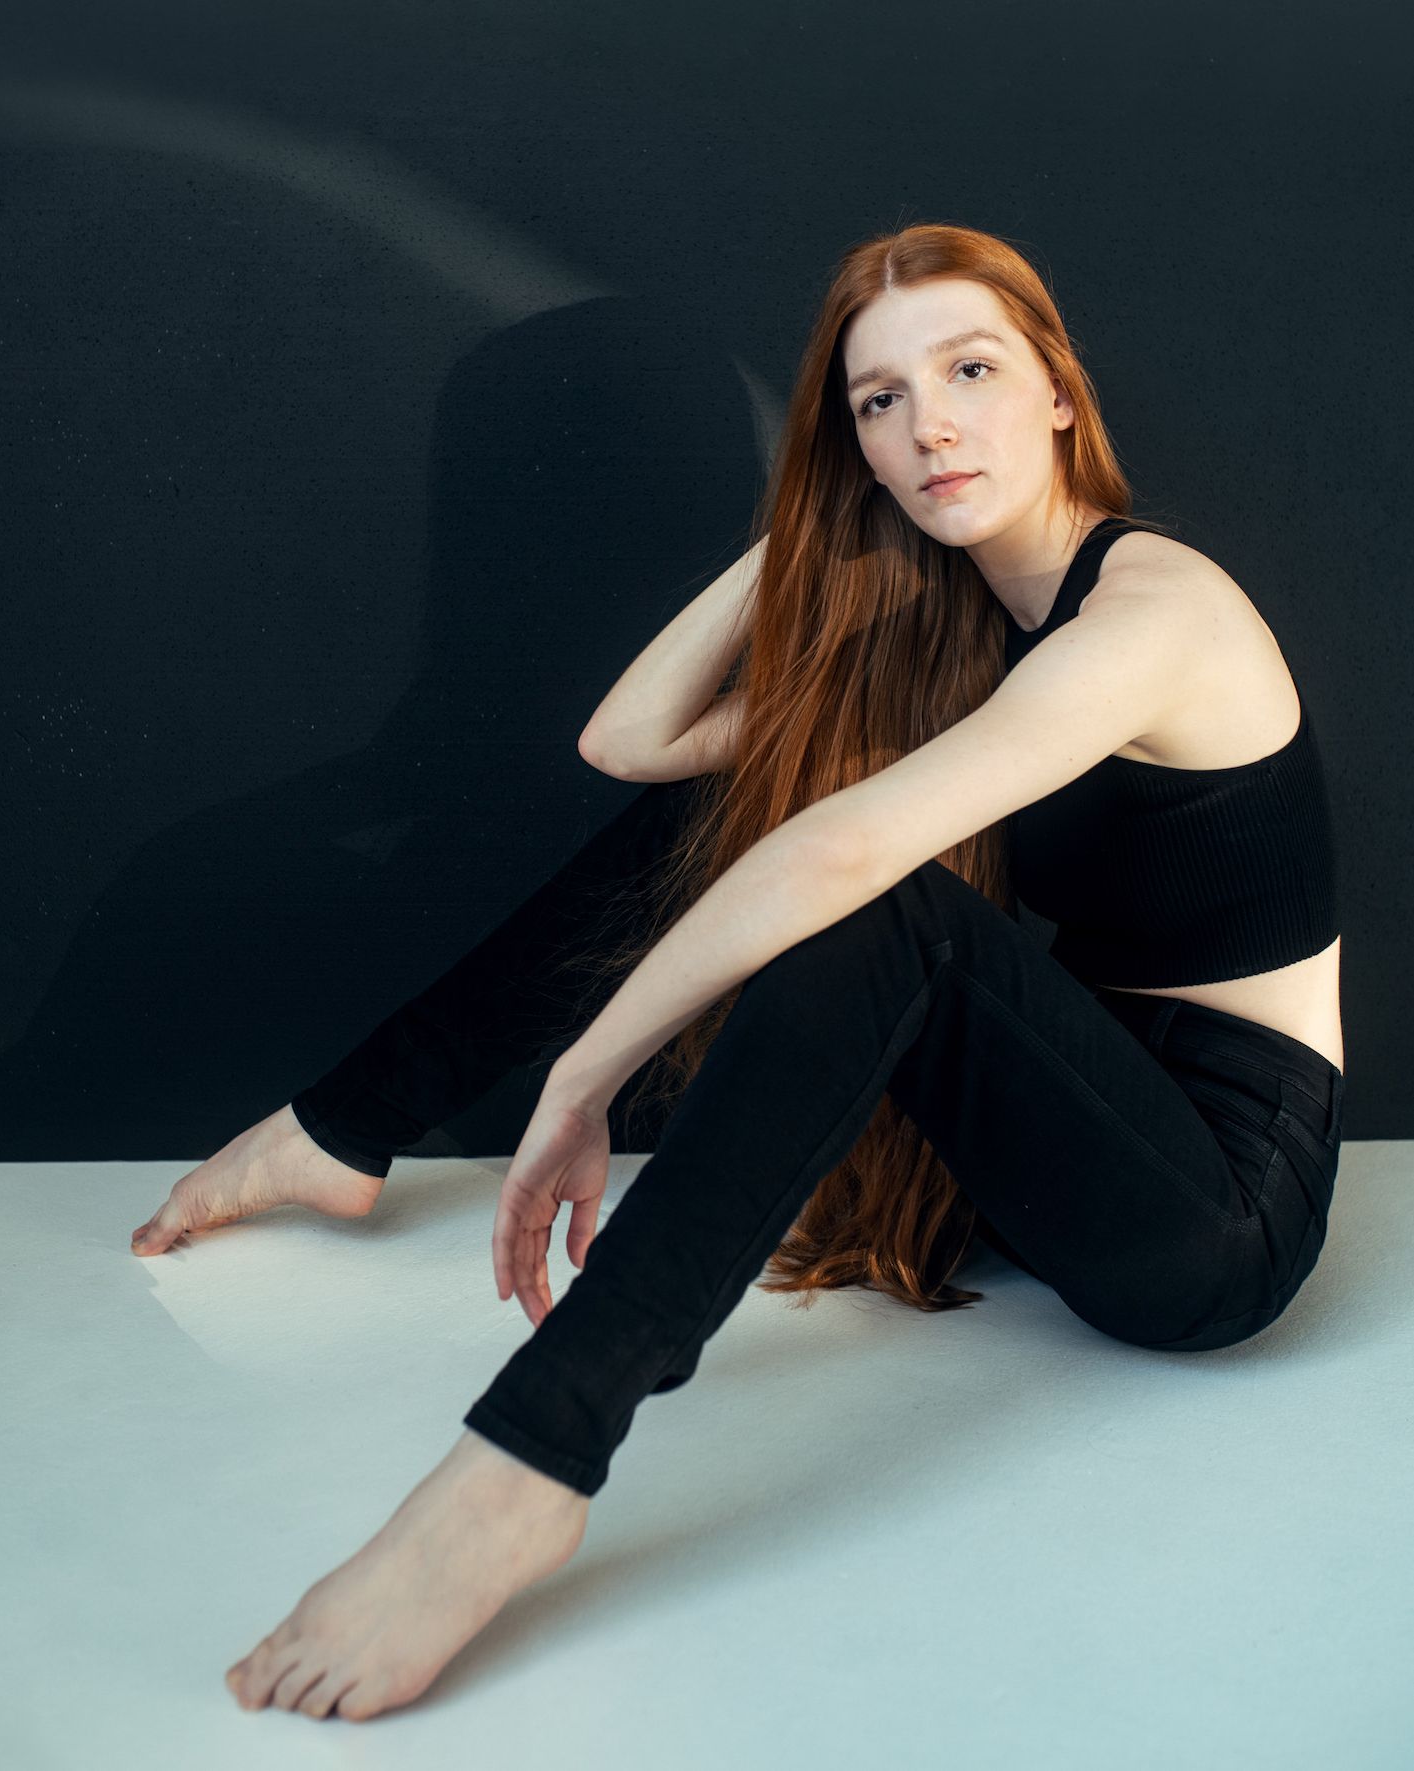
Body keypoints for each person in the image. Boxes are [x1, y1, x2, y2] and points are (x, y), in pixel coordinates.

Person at [131, 222, 1344, 1721]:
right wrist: (810, 524)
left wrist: (586, 1075)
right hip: (1079, 1142)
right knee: (743, 796)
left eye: (970, 371)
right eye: (880, 403)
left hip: (1219, 1211)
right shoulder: (976, 628)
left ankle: (523, 1471)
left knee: (875, 899)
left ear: (1055, 391)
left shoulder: (1157, 616)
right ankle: (345, 1128)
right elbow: (632, 743)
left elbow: (844, 862)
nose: (930, 426)